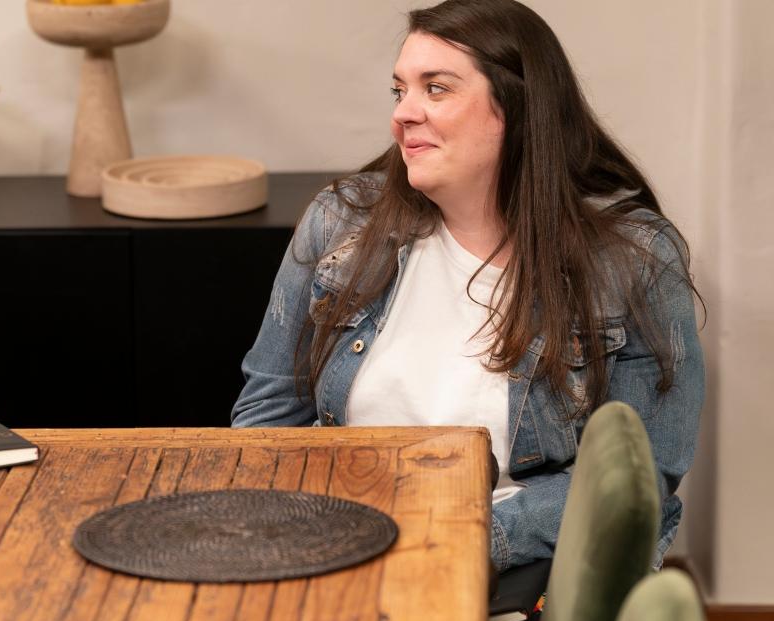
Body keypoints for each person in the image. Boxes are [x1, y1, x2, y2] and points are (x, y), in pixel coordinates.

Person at [231, 0, 703, 573]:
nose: (404, 114)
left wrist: (460, 537)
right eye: (399, 90)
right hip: (342, 550)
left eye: (436, 89)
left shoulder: (635, 258)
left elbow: (639, 479)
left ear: (518, 107)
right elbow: (268, 414)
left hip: (517, 573)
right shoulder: (340, 222)